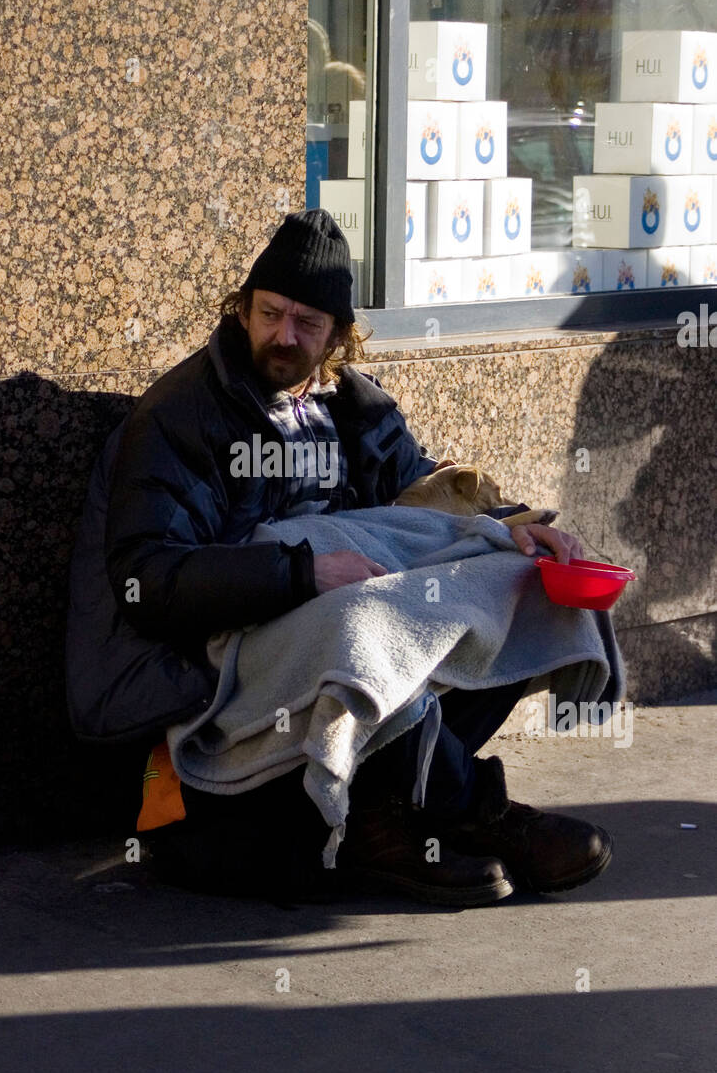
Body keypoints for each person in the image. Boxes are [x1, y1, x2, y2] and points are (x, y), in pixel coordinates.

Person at [82, 208, 613, 906]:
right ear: (241, 309)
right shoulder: (182, 417)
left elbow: (422, 498)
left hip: (322, 632)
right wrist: (302, 573)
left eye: (307, 324)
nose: (283, 336)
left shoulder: (351, 407)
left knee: (515, 580)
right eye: (269, 314)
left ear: (338, 336)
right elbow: (146, 581)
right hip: (206, 670)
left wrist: (511, 526)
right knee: (365, 623)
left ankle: (387, 815)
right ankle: (480, 814)